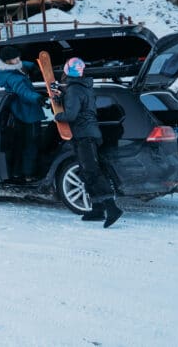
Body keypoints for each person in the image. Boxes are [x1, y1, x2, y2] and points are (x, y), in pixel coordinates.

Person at [53, 57, 123, 228]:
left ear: (67, 71)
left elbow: (71, 115)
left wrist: (57, 116)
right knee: (87, 171)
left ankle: (111, 208)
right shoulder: (83, 87)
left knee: (92, 172)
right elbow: (80, 107)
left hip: (84, 136)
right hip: (90, 134)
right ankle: (97, 209)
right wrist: (62, 98)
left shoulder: (74, 90)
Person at [0, 45, 47, 182]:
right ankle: (29, 174)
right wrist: (38, 98)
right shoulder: (14, 78)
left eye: (18, 57)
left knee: (22, 143)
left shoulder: (2, 69)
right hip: (28, 113)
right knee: (31, 145)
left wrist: (32, 66)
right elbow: (23, 92)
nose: (18, 60)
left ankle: (18, 172)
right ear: (8, 61)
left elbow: (21, 64)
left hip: (19, 112)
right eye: (15, 59)